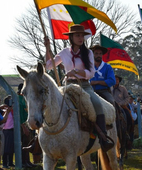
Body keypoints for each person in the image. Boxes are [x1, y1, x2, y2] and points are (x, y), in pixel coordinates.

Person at [44, 24, 114, 152]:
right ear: (71, 37)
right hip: (67, 86)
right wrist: (47, 49)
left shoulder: (88, 53)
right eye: (77, 35)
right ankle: (41, 140)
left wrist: (76, 72)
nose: (80, 38)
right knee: (51, 104)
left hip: (84, 85)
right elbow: (49, 66)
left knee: (97, 104)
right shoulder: (64, 52)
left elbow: (91, 72)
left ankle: (103, 138)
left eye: (82, 35)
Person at [112, 75, 134, 149]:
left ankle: (127, 131)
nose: (116, 80)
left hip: (122, 107)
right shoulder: (109, 88)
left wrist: (121, 103)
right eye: (114, 79)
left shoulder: (122, 88)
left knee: (128, 116)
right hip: (111, 107)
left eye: (117, 79)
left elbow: (127, 98)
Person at [2, 96, 15, 168]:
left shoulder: (13, 111)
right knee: (6, 147)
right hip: (6, 130)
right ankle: (4, 163)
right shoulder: (5, 111)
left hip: (12, 130)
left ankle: (10, 162)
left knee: (11, 147)